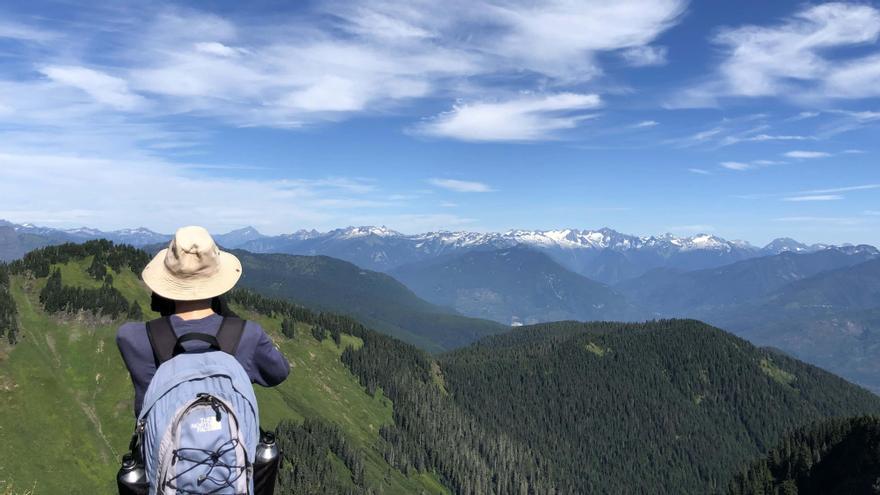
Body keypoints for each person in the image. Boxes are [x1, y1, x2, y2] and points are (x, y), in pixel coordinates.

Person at [116, 225, 289, 493]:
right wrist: (230, 321)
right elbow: (279, 372)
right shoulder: (248, 335)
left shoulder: (134, 339)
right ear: (218, 282)